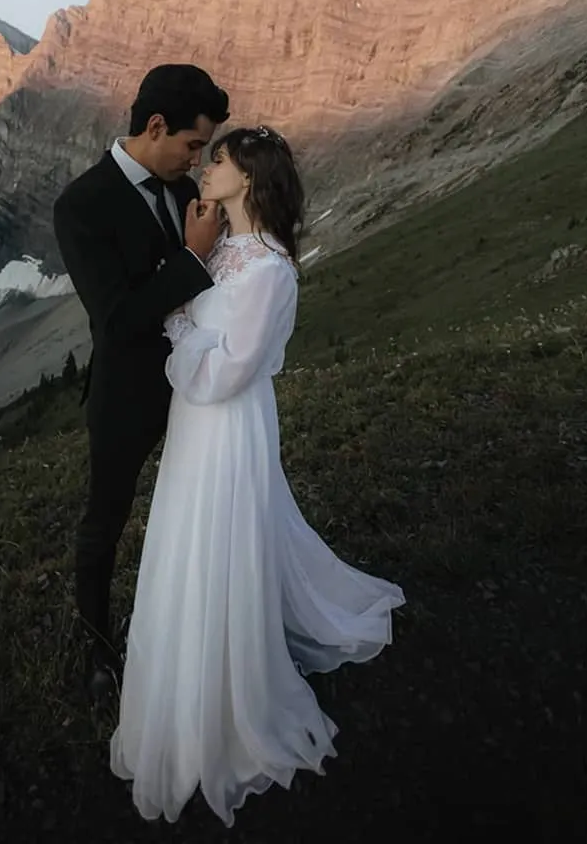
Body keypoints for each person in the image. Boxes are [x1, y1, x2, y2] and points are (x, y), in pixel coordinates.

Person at [110, 125, 406, 827]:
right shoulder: (225, 248)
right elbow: (187, 317)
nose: (205, 167)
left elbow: (225, 368)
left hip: (226, 424)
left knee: (218, 544)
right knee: (186, 543)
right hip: (195, 426)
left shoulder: (270, 270)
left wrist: (184, 333)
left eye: (218, 160)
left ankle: (227, 689)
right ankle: (184, 672)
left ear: (249, 177)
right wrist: (189, 292)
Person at [52, 64, 230, 703]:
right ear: (155, 126)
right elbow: (118, 319)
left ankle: (194, 625)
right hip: (127, 394)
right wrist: (191, 258)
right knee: (106, 520)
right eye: (192, 145)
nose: (197, 159)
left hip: (197, 386)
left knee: (199, 510)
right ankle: (97, 649)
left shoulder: (184, 190)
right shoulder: (81, 204)